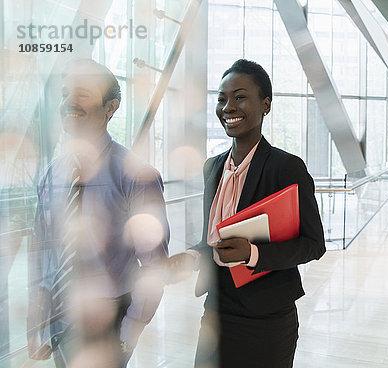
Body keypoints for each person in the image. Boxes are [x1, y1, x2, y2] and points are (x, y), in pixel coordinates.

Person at [168, 59, 326, 368]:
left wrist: (252, 254)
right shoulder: (212, 168)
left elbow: (313, 244)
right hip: (216, 308)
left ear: (265, 104)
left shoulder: (285, 167)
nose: (228, 106)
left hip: (265, 318)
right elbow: (213, 240)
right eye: (222, 98)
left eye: (240, 97)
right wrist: (189, 257)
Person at [27, 58, 170, 368]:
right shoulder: (50, 174)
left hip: (109, 317)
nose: (69, 102)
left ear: (111, 106)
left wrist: (128, 332)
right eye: (66, 93)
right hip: (60, 313)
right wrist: (38, 314)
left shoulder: (136, 176)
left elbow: (155, 265)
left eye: (83, 93)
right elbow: (42, 249)